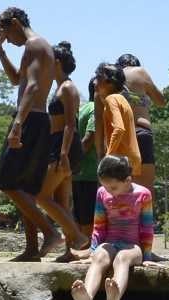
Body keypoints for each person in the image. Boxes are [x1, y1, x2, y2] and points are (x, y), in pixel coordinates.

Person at [0, 7, 80, 262]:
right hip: (37, 119)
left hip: (30, 118)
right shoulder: (37, 47)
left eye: (6, 34)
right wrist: (0, 52)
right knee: (26, 189)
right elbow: (16, 80)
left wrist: (18, 123)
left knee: (6, 181)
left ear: (16, 23)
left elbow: (30, 87)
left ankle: (50, 232)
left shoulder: (35, 44)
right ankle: (32, 249)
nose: (8, 40)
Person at [70, 155, 154, 300]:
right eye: (106, 187)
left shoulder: (143, 194)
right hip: (110, 242)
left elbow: (147, 228)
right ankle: (87, 298)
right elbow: (99, 225)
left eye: (113, 188)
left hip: (132, 246)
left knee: (122, 258)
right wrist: (93, 251)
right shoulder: (102, 193)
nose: (109, 191)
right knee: (100, 257)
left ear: (128, 180)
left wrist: (147, 256)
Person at [32, 42, 88, 263]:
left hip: (64, 145)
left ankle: (76, 235)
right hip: (57, 143)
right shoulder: (58, 87)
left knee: (41, 196)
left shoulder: (68, 88)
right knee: (61, 201)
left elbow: (70, 124)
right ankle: (69, 251)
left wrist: (63, 153)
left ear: (56, 62)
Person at [115, 54, 167, 195]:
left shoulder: (111, 78)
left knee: (122, 191)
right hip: (141, 133)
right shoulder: (139, 72)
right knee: (145, 191)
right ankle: (146, 217)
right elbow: (161, 101)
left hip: (120, 138)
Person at [93, 63, 142, 175]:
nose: (94, 81)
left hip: (121, 159)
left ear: (110, 83)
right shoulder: (121, 99)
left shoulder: (112, 99)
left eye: (98, 77)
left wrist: (108, 157)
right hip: (130, 158)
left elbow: (119, 129)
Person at [71, 77, 99, 241]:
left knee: (79, 216)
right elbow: (89, 138)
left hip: (77, 174)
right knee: (88, 218)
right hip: (90, 173)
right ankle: (87, 252)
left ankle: (76, 250)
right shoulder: (96, 109)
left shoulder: (81, 109)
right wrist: (77, 159)